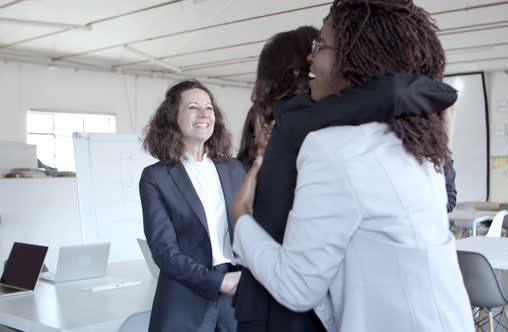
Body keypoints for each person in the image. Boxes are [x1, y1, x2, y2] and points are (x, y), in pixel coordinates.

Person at [231, 1, 473, 331]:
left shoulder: (336, 149)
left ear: (354, 57)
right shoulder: (412, 142)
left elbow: (297, 287)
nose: (311, 58)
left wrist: (241, 217)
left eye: (321, 46)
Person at [139, 79, 245, 332]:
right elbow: (164, 251)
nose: (204, 114)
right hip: (185, 298)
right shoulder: (156, 177)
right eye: (193, 107)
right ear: (172, 117)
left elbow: (250, 227)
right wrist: (216, 281)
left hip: (238, 294)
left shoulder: (233, 169)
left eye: (208, 108)